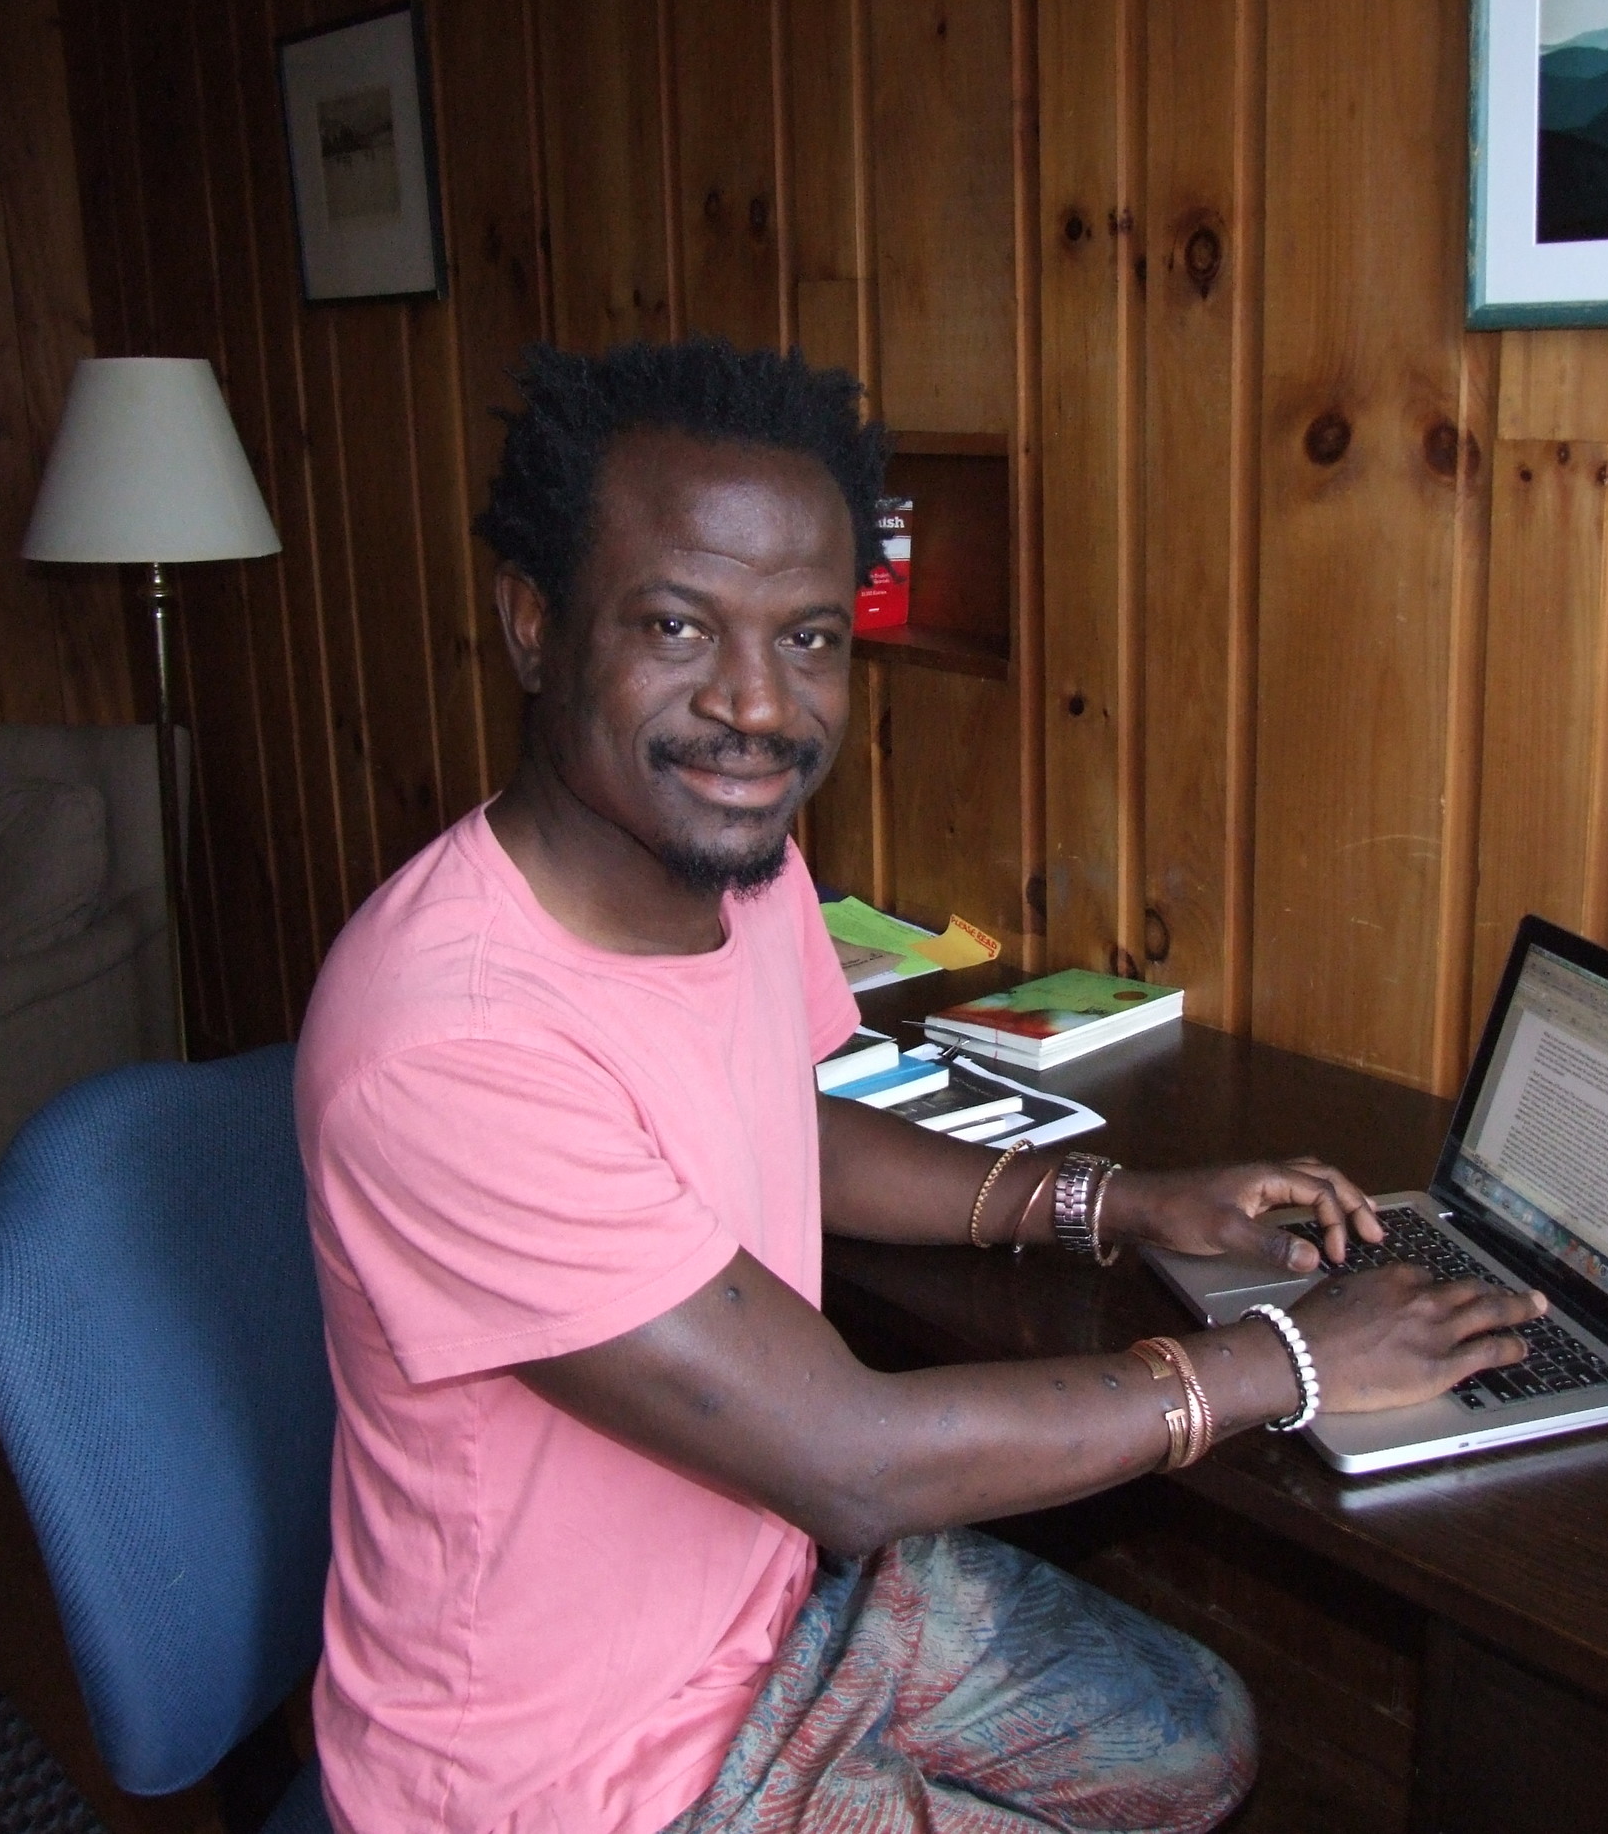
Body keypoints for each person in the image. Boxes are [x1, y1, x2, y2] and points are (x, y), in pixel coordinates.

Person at [295, 338, 1545, 1834]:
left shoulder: (724, 854)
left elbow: (778, 1122)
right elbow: (851, 1464)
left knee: (1193, 1732)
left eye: (809, 638)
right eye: (681, 626)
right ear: (535, 625)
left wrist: (1120, 1201)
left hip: (763, 1611)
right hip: (573, 1779)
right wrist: (1297, 1361)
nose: (760, 709)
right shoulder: (451, 1043)